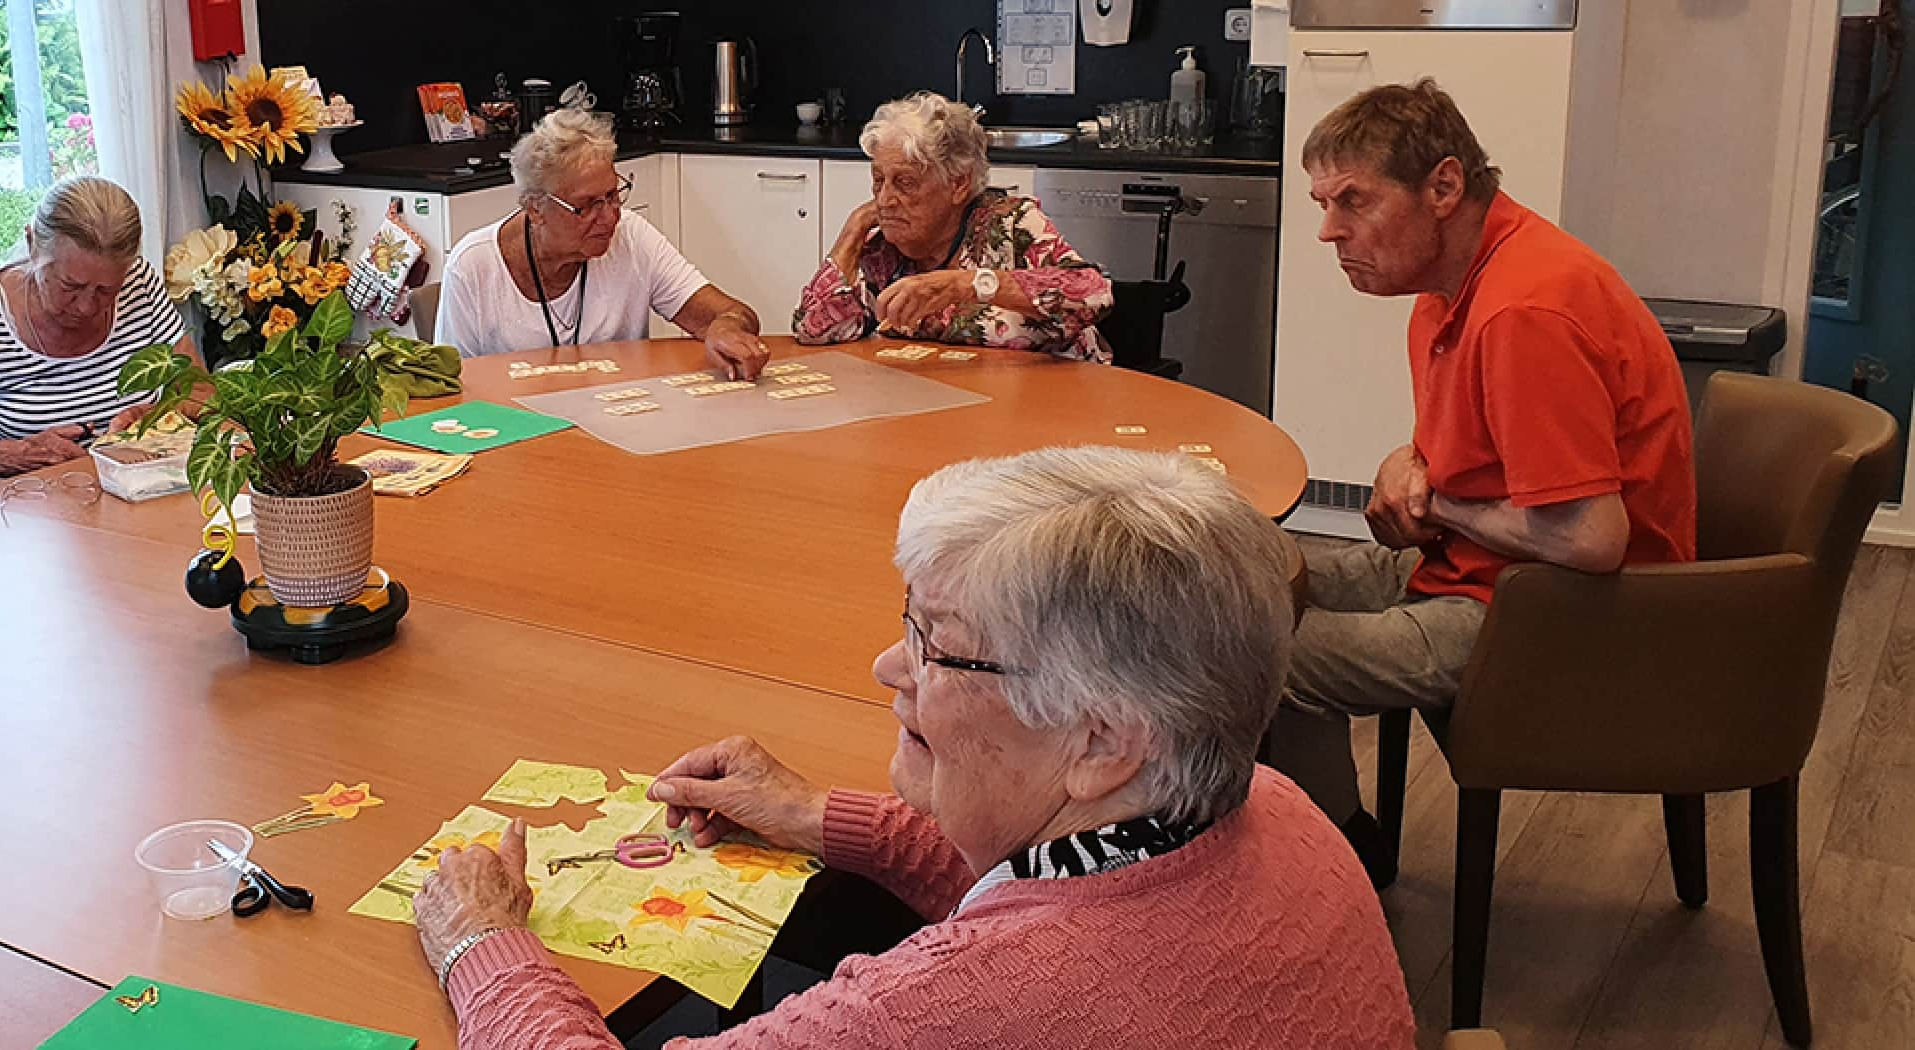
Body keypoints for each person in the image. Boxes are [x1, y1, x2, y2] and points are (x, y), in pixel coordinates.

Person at [412, 447, 1416, 1049]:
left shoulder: (958, 1007)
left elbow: (1022, 966)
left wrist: (481, 944)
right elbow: (1054, 892)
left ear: (1101, 739)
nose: (890, 664)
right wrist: (817, 815)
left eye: (938, 645)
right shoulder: (1266, 801)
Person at [1262, 79, 1698, 882]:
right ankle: (1336, 843)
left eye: (1352, 202)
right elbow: (1477, 446)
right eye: (1324, 204)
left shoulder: (1523, 309)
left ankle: (1335, 866)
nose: (1328, 231)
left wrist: (1441, 499)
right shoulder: (1457, 283)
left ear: (1444, 186)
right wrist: (1412, 463)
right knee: (1241, 567)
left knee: (1246, 652)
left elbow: (1593, 540)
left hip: (1562, 614)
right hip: (1482, 571)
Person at [0, 175, 194, 488]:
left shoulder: (139, 284)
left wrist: (157, 416)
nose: (86, 306)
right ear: (32, 244)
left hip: (135, 498)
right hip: (21, 514)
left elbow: (203, 394)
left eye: (106, 290)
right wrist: (19, 454)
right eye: (70, 285)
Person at [435, 108, 771, 378]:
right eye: (588, 206)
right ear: (535, 209)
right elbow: (453, 388)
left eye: (613, 196)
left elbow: (735, 314)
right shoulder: (473, 267)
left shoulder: (632, 237)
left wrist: (726, 327)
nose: (610, 217)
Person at [793, 92, 1112, 361]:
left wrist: (967, 285)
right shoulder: (882, 253)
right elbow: (813, 331)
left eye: (904, 183)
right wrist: (853, 231)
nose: (885, 199)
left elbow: (1093, 293)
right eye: (878, 181)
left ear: (958, 184)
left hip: (1057, 403)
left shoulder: (1011, 223)